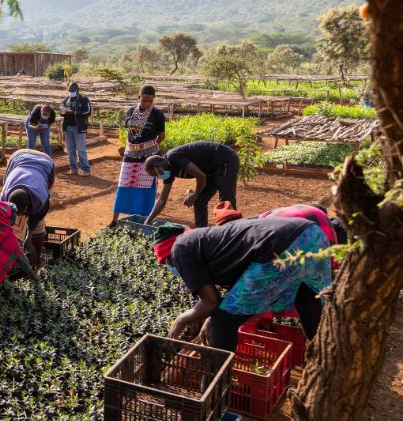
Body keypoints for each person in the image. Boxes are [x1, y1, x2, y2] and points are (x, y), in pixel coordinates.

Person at [155, 218, 332, 352]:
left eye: (166, 264)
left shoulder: (179, 248)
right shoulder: (208, 242)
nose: (171, 268)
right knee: (309, 305)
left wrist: (180, 321)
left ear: (167, 255)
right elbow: (250, 297)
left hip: (279, 247)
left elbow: (211, 301)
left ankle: (216, 389)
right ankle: (331, 366)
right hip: (312, 235)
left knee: (222, 321)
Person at [144, 142, 240, 228]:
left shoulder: (173, 158)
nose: (158, 177)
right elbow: (162, 199)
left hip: (225, 159)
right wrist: (148, 221)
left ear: (158, 167)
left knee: (227, 201)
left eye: (156, 174)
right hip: (210, 169)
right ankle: (201, 234)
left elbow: (201, 176)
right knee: (199, 201)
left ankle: (232, 233)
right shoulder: (167, 171)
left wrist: (195, 194)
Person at [111, 86, 166, 226]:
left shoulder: (157, 114)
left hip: (148, 157)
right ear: (138, 97)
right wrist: (129, 147)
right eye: (144, 100)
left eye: (149, 101)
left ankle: (144, 219)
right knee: (123, 185)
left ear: (153, 99)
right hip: (130, 155)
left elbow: (161, 136)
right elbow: (129, 131)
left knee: (146, 187)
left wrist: (149, 148)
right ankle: (114, 220)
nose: (146, 103)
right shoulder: (130, 111)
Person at [0, 149, 55, 266]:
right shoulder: (4, 198)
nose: (20, 215)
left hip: (44, 162)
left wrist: (28, 239)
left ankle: (37, 260)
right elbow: (3, 223)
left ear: (28, 204)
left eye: (22, 212)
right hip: (18, 158)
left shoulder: (41, 197)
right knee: (15, 225)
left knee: (37, 223)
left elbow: (37, 217)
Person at [60, 82, 92, 175]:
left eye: (72, 90)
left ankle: (86, 169)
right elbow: (62, 112)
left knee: (81, 149)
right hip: (68, 127)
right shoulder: (66, 99)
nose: (71, 92)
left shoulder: (83, 99)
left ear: (77, 90)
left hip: (79, 127)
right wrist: (62, 111)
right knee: (70, 149)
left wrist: (74, 112)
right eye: (69, 90)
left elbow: (88, 112)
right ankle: (73, 169)